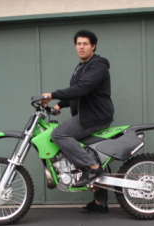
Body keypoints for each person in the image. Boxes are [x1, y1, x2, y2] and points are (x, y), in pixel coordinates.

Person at [41, 29, 114, 214]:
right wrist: (59, 105)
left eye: (85, 44)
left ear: (93, 46)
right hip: (86, 116)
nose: (81, 47)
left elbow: (83, 88)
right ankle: (99, 203)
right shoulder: (81, 66)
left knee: (59, 133)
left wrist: (52, 95)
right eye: (78, 44)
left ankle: (92, 168)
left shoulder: (98, 66)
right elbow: (76, 91)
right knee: (92, 153)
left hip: (95, 116)